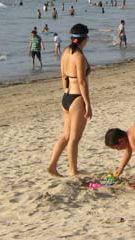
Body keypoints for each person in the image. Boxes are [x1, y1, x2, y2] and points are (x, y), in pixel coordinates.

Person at [48, 24, 92, 177]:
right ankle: (73, 170)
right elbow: (82, 82)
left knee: (65, 136)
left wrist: (65, 91)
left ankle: (53, 165)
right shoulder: (78, 56)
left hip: (66, 96)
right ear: (85, 38)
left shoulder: (66, 52)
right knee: (74, 138)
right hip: (77, 97)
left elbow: (63, 75)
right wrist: (88, 104)